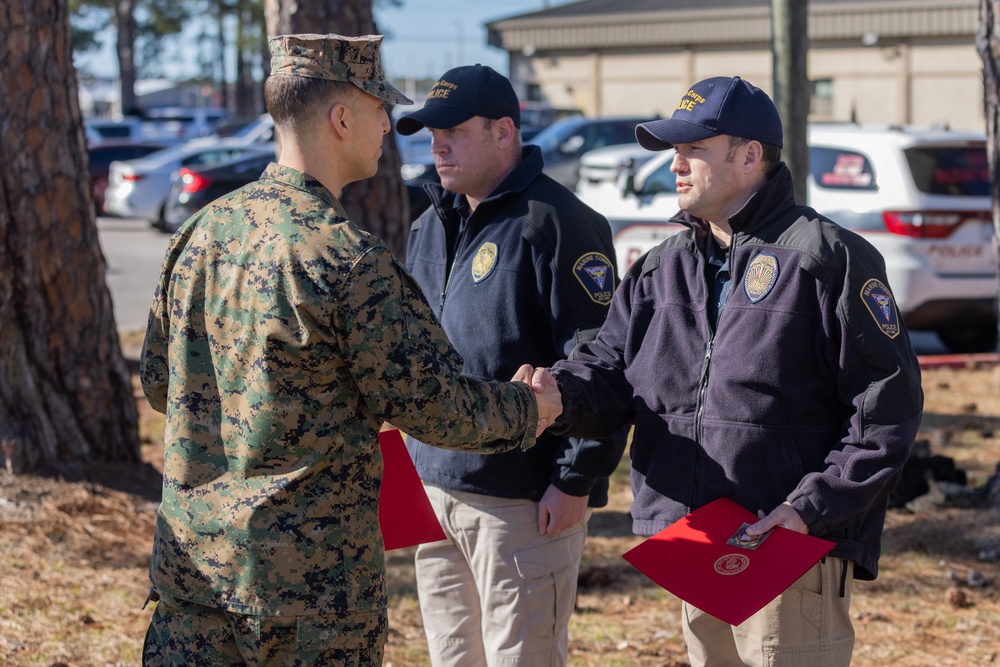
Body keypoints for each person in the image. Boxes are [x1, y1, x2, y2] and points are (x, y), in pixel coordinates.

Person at [138, 34, 560, 667]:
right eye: (377, 107)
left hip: (194, 576)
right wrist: (533, 409)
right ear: (341, 119)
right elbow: (435, 406)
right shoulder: (343, 258)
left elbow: (157, 384)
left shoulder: (200, 233)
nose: (388, 125)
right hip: (306, 602)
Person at [525, 76, 923, 667]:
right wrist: (556, 396)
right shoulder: (659, 269)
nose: (676, 165)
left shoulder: (826, 258)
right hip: (698, 546)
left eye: (694, 150)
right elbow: (610, 375)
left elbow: (884, 409)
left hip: (788, 547)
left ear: (750, 156)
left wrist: (809, 509)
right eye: (674, 151)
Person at [396, 64, 627, 667]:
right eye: (429, 132)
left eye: (453, 130)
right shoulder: (428, 225)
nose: (436, 143)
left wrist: (576, 480)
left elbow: (603, 363)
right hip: (433, 492)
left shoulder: (560, 224)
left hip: (523, 502)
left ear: (505, 132)